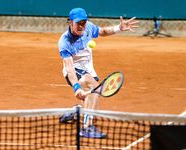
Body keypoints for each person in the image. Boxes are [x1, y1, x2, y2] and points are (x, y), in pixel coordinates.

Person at [58, 8, 139, 139]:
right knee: (94, 87)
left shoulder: (88, 27)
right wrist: (76, 87)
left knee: (92, 117)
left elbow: (102, 31)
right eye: (78, 23)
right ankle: (86, 129)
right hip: (75, 71)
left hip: (89, 71)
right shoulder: (64, 41)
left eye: (83, 22)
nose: (81, 26)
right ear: (70, 23)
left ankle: (76, 112)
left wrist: (119, 28)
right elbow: (69, 67)